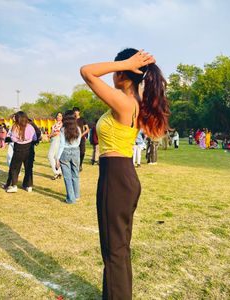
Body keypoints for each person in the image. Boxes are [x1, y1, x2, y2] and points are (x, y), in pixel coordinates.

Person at [80, 48, 169, 299]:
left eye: (117, 70)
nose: (112, 75)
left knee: (114, 251)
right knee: (118, 249)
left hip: (116, 176)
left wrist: (126, 62)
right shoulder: (132, 101)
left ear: (125, 73)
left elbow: (86, 72)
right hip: (122, 175)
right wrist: (127, 65)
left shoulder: (125, 102)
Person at [3, 111, 37, 193]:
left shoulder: (16, 127)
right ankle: (28, 185)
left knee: (15, 168)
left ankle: (14, 185)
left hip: (19, 148)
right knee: (28, 168)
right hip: (29, 148)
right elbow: (35, 138)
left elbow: (14, 139)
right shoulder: (30, 127)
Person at [56, 110, 81, 203]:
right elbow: (79, 142)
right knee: (76, 174)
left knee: (67, 177)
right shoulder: (78, 129)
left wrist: (57, 158)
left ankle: (71, 198)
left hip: (65, 152)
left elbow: (62, 144)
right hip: (76, 151)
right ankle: (76, 195)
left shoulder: (63, 129)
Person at [73, 107, 89, 171]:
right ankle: (75, 164)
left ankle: (80, 164)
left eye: (76, 111)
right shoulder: (72, 119)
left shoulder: (82, 119)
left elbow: (87, 129)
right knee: (74, 152)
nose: (75, 112)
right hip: (74, 138)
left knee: (82, 152)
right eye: (74, 111)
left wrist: (81, 135)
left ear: (79, 112)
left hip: (81, 138)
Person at [48, 112, 63, 180]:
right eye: (57, 115)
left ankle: (56, 172)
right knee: (56, 156)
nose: (58, 117)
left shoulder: (61, 124)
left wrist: (50, 135)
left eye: (60, 116)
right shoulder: (55, 124)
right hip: (54, 140)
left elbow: (57, 133)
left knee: (50, 155)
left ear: (62, 117)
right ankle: (59, 172)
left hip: (57, 139)